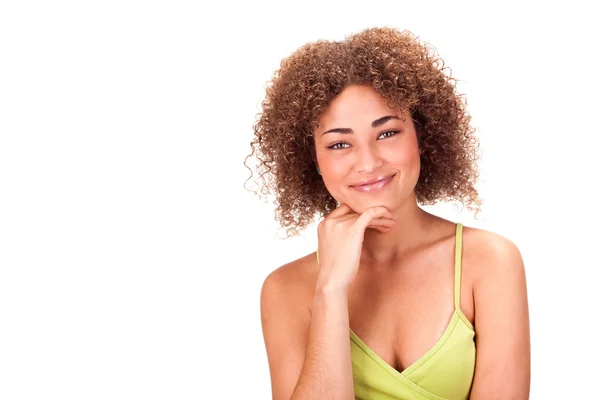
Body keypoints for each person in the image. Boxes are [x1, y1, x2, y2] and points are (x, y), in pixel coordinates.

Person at [246, 27, 530, 400]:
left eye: (387, 134)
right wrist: (331, 289)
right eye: (339, 143)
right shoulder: (286, 290)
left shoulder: (488, 262)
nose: (368, 162)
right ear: (311, 160)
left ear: (422, 135)